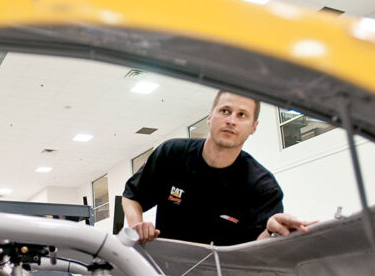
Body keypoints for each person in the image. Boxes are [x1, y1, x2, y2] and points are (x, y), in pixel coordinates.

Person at [121, 90, 314, 246]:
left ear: (253, 127)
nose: (231, 120)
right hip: (167, 275)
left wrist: (270, 232)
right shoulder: (171, 154)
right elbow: (131, 197)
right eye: (225, 111)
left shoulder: (262, 187)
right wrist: (137, 228)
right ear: (209, 117)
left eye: (242, 115)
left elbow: (257, 252)